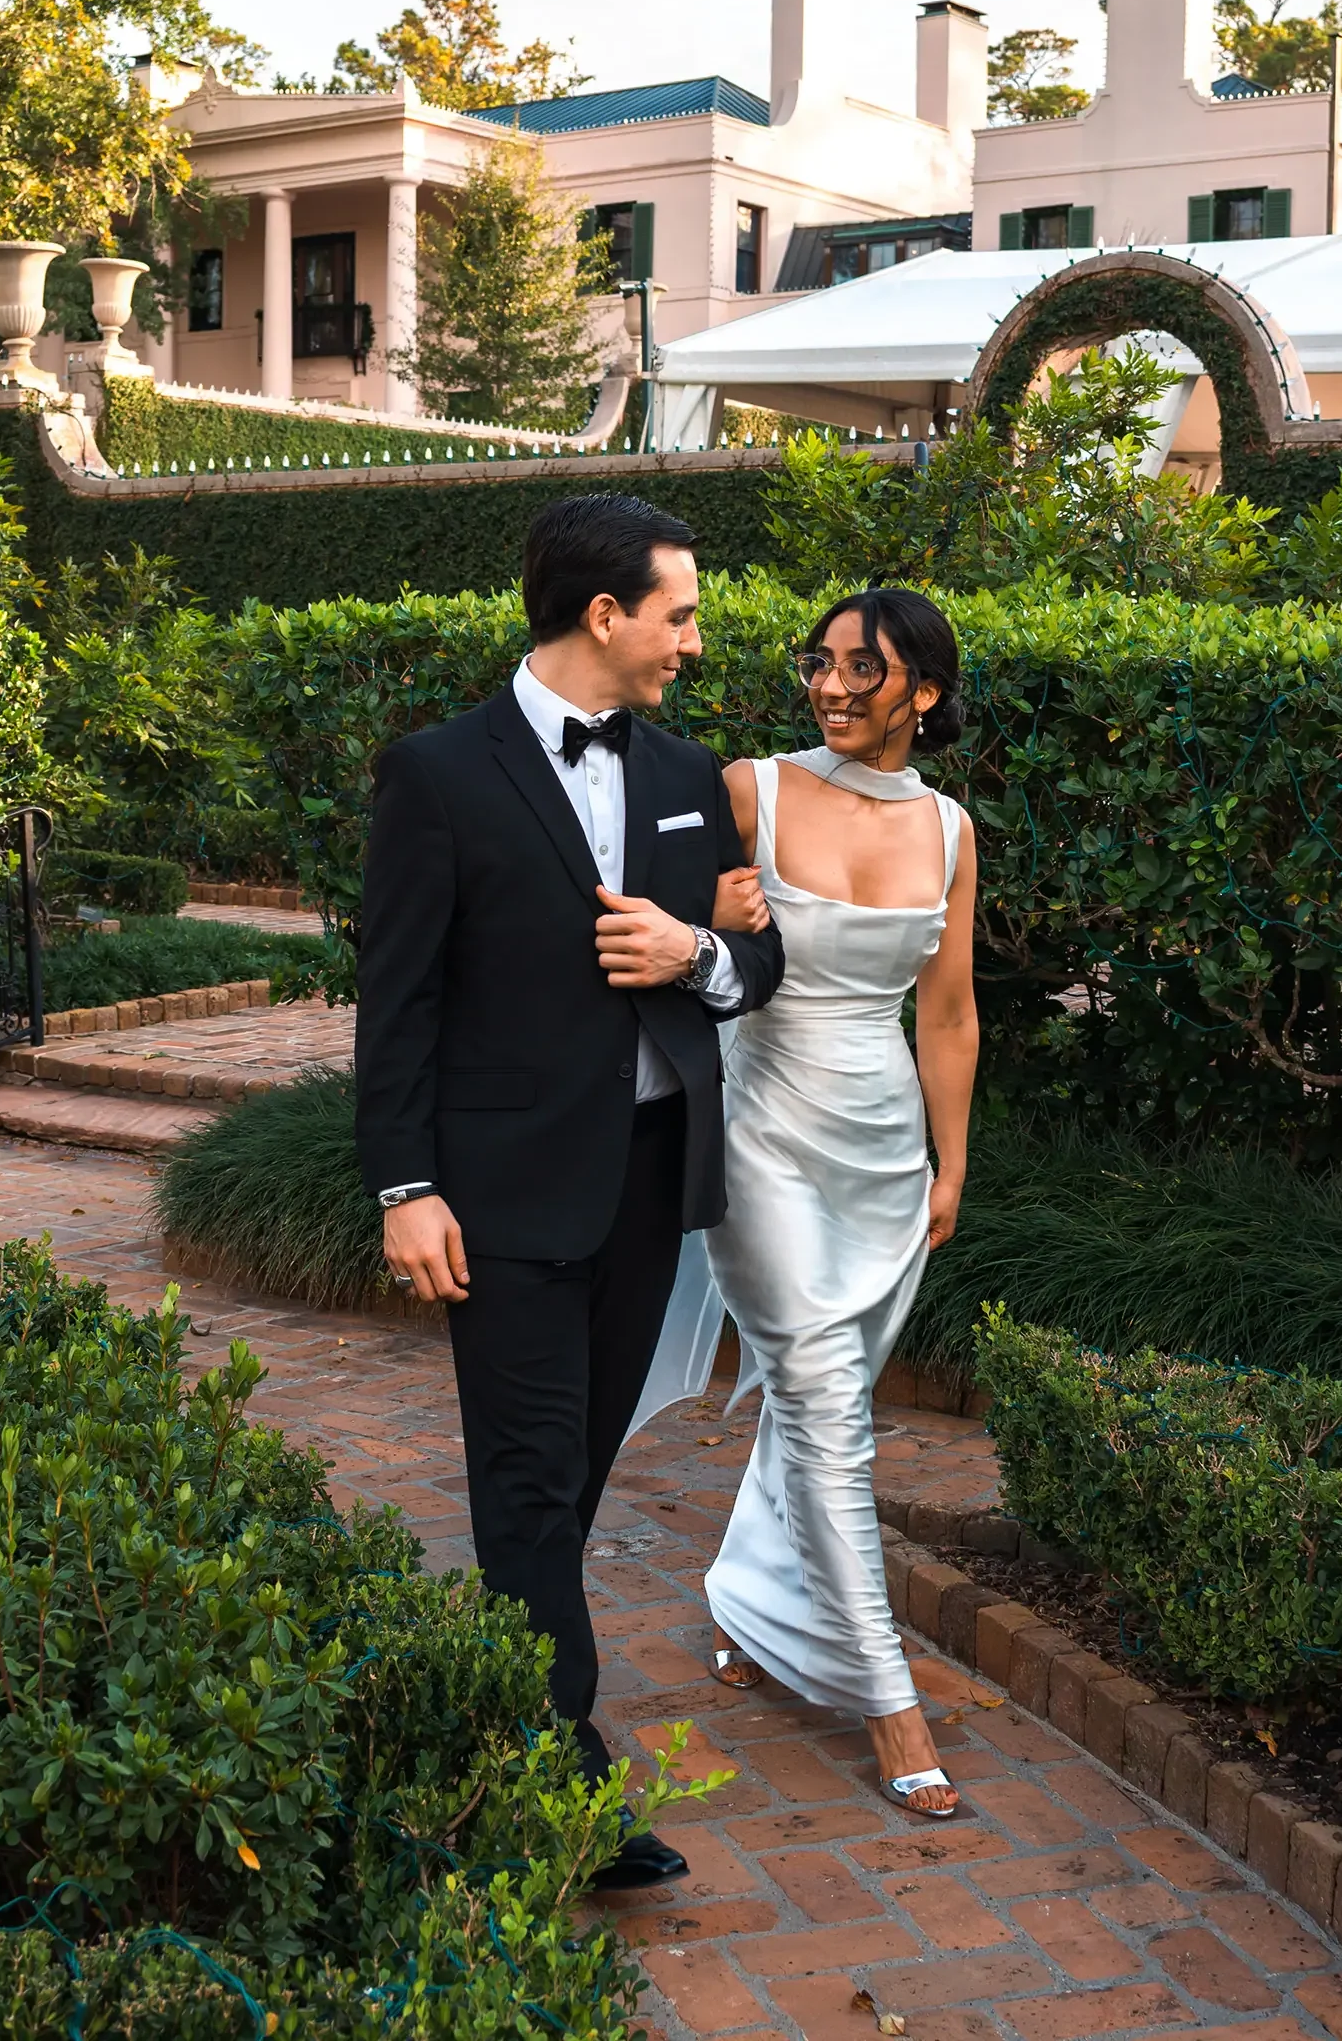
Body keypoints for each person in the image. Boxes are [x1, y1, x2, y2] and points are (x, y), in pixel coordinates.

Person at [353, 492, 785, 1890]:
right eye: (682, 614)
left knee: (568, 1482)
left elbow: (752, 966)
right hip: (500, 1194)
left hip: (651, 1188)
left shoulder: (685, 770)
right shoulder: (437, 773)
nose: (695, 643)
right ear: (605, 616)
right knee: (532, 1479)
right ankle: (564, 1792)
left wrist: (693, 955)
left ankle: (478, 1710)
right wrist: (406, 1184)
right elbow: (398, 999)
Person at [702, 588, 979, 1820]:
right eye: (819, 663)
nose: (828, 687)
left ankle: (750, 1601)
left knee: (825, 1399)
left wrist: (953, 1163)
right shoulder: (748, 790)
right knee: (820, 1396)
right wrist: (705, 921)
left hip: (885, 1154)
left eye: (861, 671)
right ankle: (887, 1700)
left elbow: (949, 1012)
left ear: (921, 690)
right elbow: (659, 945)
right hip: (760, 1133)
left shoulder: (952, 830)